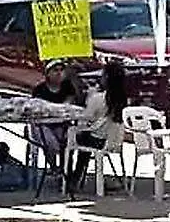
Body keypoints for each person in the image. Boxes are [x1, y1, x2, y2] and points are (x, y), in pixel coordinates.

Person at [67, 60, 128, 194]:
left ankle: (73, 177)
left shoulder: (98, 98)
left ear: (106, 78)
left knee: (77, 138)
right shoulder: (123, 100)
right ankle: (81, 177)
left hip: (99, 141)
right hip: (115, 140)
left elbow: (86, 118)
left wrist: (89, 97)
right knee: (87, 138)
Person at [29, 59, 81, 172]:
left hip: (62, 124)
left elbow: (70, 104)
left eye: (61, 70)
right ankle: (53, 166)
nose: (59, 73)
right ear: (48, 73)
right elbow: (37, 109)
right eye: (55, 70)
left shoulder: (68, 88)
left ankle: (66, 170)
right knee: (48, 141)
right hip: (44, 125)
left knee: (68, 139)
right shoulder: (39, 89)